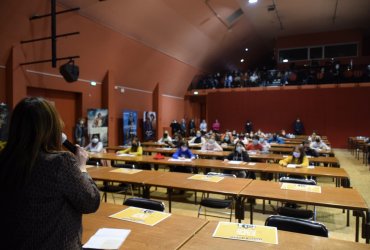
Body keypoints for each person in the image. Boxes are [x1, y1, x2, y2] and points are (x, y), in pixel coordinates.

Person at [0, 97, 100, 249]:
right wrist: (82, 167)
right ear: (52, 127)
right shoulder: (59, 162)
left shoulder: (5, 160)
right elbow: (90, 202)